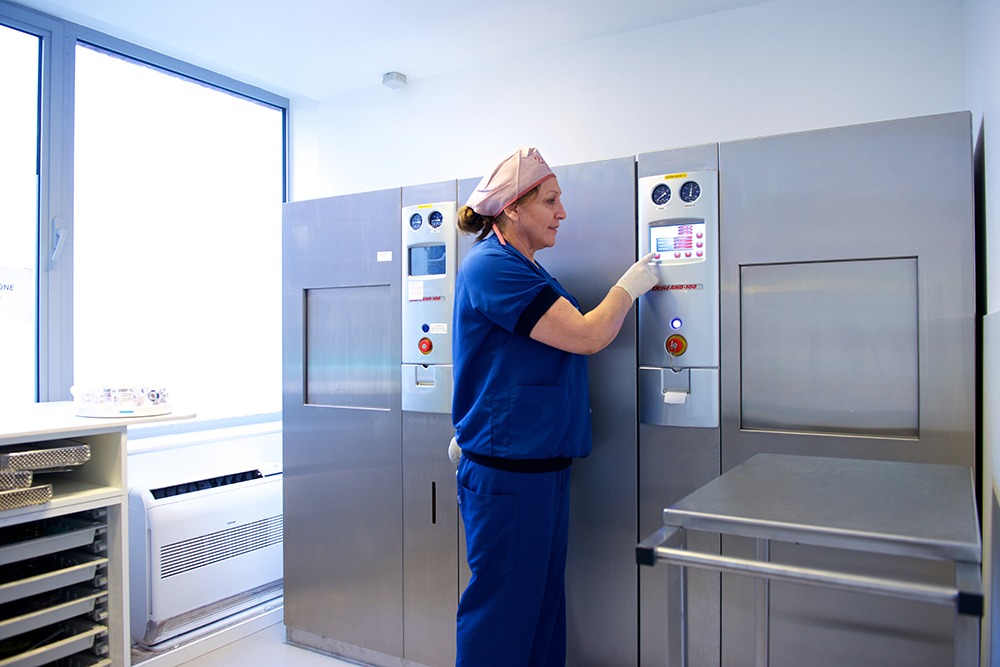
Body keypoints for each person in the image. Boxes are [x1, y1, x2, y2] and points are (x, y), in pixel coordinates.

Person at [451, 147, 658, 666]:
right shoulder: (493, 268)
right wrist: (628, 288)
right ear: (513, 208)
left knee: (541, 612)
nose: (562, 213)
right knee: (502, 618)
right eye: (550, 200)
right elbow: (586, 335)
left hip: (540, 467)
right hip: (509, 474)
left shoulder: (526, 268)